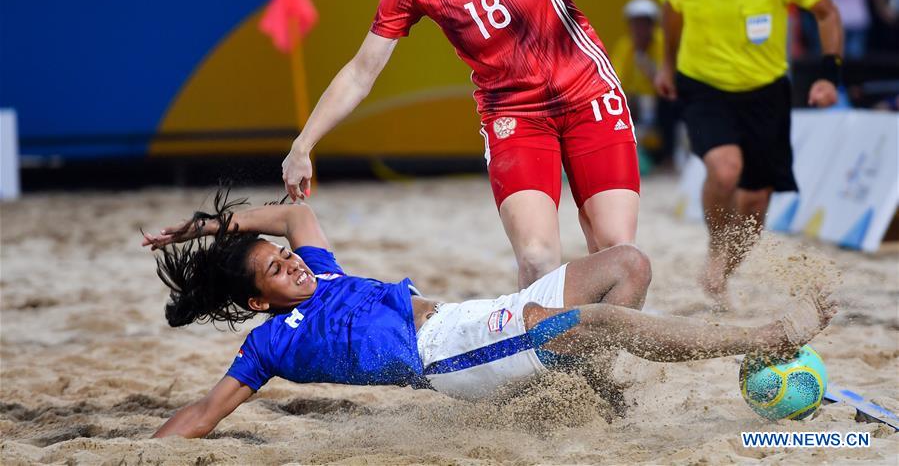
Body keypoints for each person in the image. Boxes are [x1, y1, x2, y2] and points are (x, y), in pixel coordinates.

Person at [280, 0, 695, 289]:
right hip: (515, 115)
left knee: (617, 250)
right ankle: (551, 358)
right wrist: (303, 145)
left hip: (588, 92)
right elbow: (361, 72)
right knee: (538, 260)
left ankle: (596, 357)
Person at [142, 190, 836, 439]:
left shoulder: (319, 271)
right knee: (596, 325)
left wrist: (205, 227)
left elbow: (295, 213)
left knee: (627, 264)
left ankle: (586, 388)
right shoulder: (266, 346)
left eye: (283, 257)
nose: (292, 263)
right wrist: (151, 449)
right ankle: (765, 338)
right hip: (452, 360)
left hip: (478, 317)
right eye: (275, 269)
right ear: (259, 300)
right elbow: (201, 416)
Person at [654, 0, 844, 309]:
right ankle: (716, 249)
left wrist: (828, 76)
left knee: (757, 201)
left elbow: (827, 13)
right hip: (703, 85)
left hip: (765, 90)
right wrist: (667, 65)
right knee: (724, 170)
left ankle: (724, 271)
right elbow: (672, 13)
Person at [610, 0, 676, 166]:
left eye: (643, 23)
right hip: (636, 101)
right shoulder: (625, 46)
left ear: (651, 25)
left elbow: (666, 80)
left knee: (670, 106)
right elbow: (615, 81)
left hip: (659, 98)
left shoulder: (662, 42)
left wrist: (644, 61)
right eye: (635, 23)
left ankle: (669, 157)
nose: (639, 29)